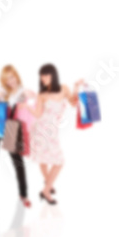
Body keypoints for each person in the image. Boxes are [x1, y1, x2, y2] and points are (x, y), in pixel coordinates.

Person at [25, 64, 82, 205]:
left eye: (46, 75)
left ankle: (46, 186)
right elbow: (38, 114)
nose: (43, 78)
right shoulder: (42, 94)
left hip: (53, 131)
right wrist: (27, 106)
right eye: (41, 75)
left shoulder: (63, 88)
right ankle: (47, 189)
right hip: (40, 130)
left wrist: (76, 87)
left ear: (53, 75)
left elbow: (74, 103)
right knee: (44, 159)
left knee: (58, 161)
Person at [0, 65, 34, 208]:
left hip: (11, 126)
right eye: (7, 79)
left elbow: (32, 101)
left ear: (16, 75)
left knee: (17, 160)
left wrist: (29, 96)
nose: (10, 81)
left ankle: (23, 194)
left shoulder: (22, 91)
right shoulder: (2, 89)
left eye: (12, 77)